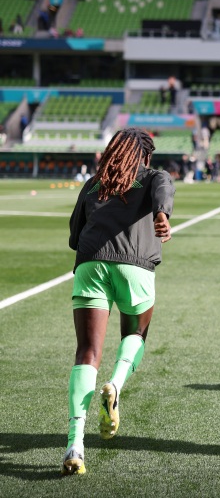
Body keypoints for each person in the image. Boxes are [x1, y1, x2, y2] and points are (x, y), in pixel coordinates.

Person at [62, 128, 175, 475]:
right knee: (136, 333)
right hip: (134, 264)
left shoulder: (95, 183)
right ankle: (116, 385)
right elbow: (162, 191)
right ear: (145, 154)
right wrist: (162, 215)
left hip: (90, 262)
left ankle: (74, 445)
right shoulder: (154, 174)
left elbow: (74, 235)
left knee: (87, 352)